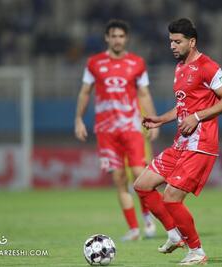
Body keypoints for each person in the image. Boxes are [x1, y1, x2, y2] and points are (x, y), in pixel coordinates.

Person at [134, 18, 222, 265]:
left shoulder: (208, 67)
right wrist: (161, 119)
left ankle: (197, 251)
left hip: (201, 144)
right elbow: (184, 108)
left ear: (192, 42)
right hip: (181, 143)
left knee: (171, 197)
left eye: (177, 41)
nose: (172, 45)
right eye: (170, 41)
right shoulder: (180, 68)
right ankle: (173, 235)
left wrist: (198, 116)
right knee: (142, 185)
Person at [74, 19, 159, 241]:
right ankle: (133, 229)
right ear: (107, 38)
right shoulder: (94, 63)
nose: (117, 40)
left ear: (126, 38)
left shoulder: (137, 63)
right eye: (113, 36)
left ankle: (148, 218)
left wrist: (153, 120)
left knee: (140, 174)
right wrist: (78, 120)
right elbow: (85, 92)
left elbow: (144, 94)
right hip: (106, 131)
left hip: (131, 127)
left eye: (121, 36)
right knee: (119, 179)